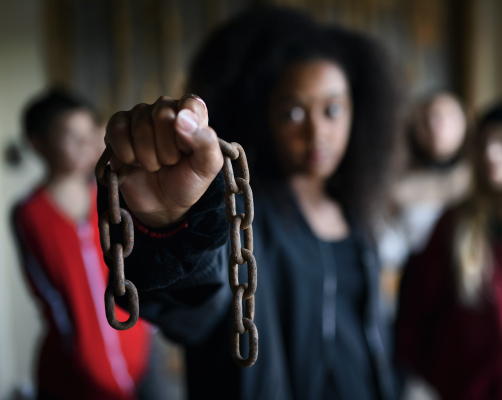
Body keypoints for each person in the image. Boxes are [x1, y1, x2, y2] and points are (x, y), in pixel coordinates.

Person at [98, 7, 403, 400]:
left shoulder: (358, 219)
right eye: (293, 112)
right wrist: (172, 225)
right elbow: (197, 309)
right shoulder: (241, 214)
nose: (317, 131)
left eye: (332, 109)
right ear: (265, 118)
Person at [396, 94, 502, 400]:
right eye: (484, 143)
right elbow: (418, 307)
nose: (491, 154)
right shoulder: (454, 223)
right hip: (466, 387)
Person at [13, 90, 153, 400]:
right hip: (72, 362)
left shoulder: (116, 196)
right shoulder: (29, 213)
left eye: (89, 134)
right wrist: (73, 343)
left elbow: (142, 264)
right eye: (70, 136)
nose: (85, 145)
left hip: (138, 347)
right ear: (39, 143)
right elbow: (45, 288)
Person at [378, 92, 471, 320]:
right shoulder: (396, 184)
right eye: (428, 117)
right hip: (415, 296)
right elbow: (388, 246)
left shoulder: (478, 181)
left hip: (468, 295)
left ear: (465, 123)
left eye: (446, 116)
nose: (435, 124)